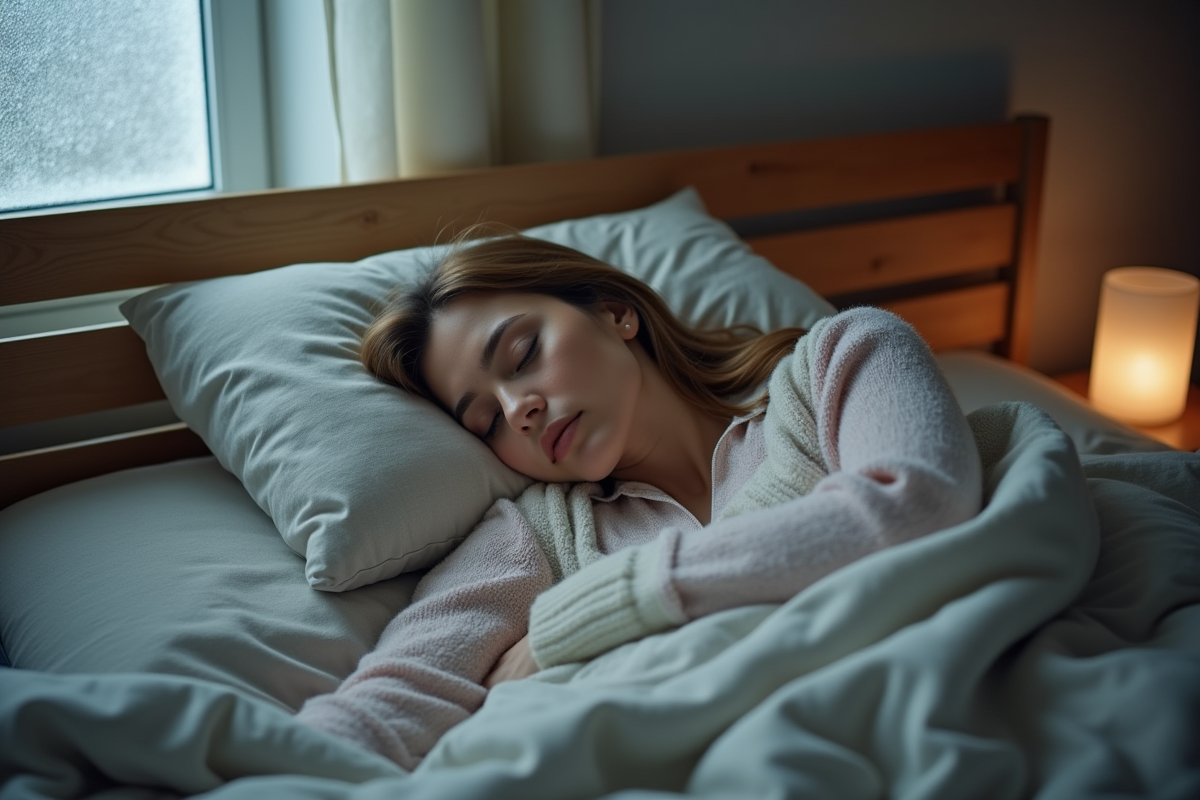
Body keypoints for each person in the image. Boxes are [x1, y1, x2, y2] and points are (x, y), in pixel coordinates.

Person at [295, 233, 982, 769]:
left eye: (525, 352)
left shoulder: (840, 359)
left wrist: (592, 615)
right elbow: (398, 694)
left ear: (617, 313)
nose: (519, 408)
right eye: (487, 422)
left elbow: (919, 503)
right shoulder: (538, 533)